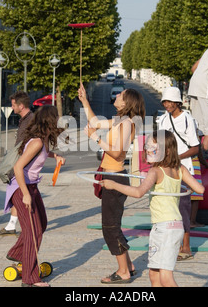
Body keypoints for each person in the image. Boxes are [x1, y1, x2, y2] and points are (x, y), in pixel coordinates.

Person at [101, 130, 205, 287]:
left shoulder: (155, 171)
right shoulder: (180, 168)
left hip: (165, 229)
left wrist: (113, 184)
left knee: (165, 277)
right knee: (154, 274)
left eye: (152, 147)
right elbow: (200, 189)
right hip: (173, 226)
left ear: (165, 151)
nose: (148, 150)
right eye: (147, 146)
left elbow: (138, 192)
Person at [78, 83, 145, 284]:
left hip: (115, 178)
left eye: (121, 94)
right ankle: (129, 266)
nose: (117, 95)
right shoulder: (119, 121)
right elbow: (94, 122)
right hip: (111, 176)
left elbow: (117, 153)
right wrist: (84, 101)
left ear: (127, 102)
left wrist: (95, 139)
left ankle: (123, 272)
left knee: (110, 227)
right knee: (113, 225)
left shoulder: (126, 124)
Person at [5, 105, 65, 287]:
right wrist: (25, 195)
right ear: (50, 121)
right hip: (21, 188)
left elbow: (39, 155)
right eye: (57, 118)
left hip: (32, 186)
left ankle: (17, 253)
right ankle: (30, 279)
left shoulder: (43, 140)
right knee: (33, 232)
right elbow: (18, 167)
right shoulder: (38, 141)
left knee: (42, 224)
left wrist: (55, 155)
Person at [157, 86, 203, 261]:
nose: (167, 105)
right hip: (165, 170)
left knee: (182, 208)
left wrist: (177, 157)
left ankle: (186, 247)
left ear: (177, 103)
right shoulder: (162, 120)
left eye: (169, 102)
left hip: (183, 169)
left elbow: (195, 148)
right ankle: (169, 244)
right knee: (166, 207)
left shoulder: (187, 120)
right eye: (165, 102)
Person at [0, 91, 34, 236]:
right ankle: (12, 225)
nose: (12, 108)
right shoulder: (24, 119)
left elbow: (38, 141)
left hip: (23, 164)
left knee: (19, 195)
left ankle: (28, 227)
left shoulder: (31, 120)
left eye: (13, 105)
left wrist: (54, 155)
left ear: (21, 106)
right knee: (15, 194)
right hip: (19, 161)